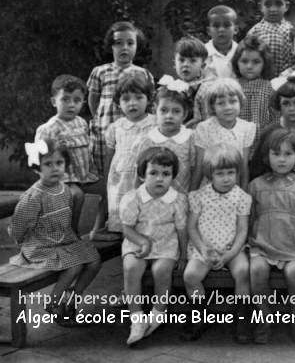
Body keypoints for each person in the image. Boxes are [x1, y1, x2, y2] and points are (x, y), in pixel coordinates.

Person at [10, 139, 101, 326]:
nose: (54, 168)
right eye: (48, 164)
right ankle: (54, 305)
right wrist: (25, 241)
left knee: (94, 260)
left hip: (61, 242)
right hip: (39, 247)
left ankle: (72, 298)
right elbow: (18, 228)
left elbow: (64, 221)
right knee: (74, 266)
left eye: (59, 163)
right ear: (37, 167)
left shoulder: (65, 190)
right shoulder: (33, 197)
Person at [248, 129, 295, 343]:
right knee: (257, 270)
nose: (282, 159)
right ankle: (263, 319)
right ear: (266, 157)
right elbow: (250, 219)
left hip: (293, 247)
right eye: (276, 154)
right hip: (263, 245)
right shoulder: (256, 185)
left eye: (288, 154)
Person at [182, 144, 252, 343]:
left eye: (231, 172)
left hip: (232, 247)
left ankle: (242, 318)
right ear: (209, 174)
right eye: (220, 173)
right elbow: (192, 227)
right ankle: (199, 317)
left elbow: (242, 231)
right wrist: (203, 249)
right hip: (205, 247)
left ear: (238, 173)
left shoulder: (242, 198)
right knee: (190, 275)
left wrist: (230, 254)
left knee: (242, 271)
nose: (226, 178)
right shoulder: (199, 196)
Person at [120, 147, 188, 345]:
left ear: (173, 176)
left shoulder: (177, 199)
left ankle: (158, 312)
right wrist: (143, 241)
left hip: (166, 243)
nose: (160, 179)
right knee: (132, 267)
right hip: (137, 241)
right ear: (142, 176)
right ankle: (137, 319)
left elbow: (182, 230)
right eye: (153, 173)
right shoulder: (133, 198)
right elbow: (127, 229)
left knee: (161, 269)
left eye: (166, 174)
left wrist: (183, 255)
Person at [36, 74, 104, 235]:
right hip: (63, 178)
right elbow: (37, 160)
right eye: (65, 99)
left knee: (110, 189)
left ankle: (101, 227)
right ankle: (69, 232)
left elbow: (86, 151)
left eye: (77, 100)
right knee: (76, 195)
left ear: (83, 102)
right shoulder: (48, 129)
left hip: (83, 176)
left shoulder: (81, 123)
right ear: (54, 101)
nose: (71, 105)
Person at [87, 21, 153, 174]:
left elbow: (149, 103)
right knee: (107, 168)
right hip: (105, 129)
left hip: (133, 132)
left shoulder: (143, 74)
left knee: (129, 165)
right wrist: (99, 119)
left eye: (130, 43)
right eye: (118, 43)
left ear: (137, 46)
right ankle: (107, 195)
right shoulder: (100, 71)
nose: (125, 47)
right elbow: (93, 100)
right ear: (111, 46)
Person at [103, 71, 156, 238]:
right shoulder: (116, 127)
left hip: (145, 175)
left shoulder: (155, 123)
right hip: (121, 177)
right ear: (118, 103)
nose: (132, 104)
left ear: (148, 99)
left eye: (139, 98)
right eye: (126, 99)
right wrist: (107, 178)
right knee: (121, 203)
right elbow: (110, 155)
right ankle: (121, 234)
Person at [250, 74, 295, 191]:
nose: (291, 108)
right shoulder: (268, 132)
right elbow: (256, 169)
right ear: (278, 104)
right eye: (286, 103)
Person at [136, 86, 202, 193]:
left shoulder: (190, 138)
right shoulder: (148, 139)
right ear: (155, 110)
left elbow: (195, 170)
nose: (169, 116)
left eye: (176, 111)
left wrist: (191, 194)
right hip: (153, 200)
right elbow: (139, 174)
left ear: (184, 114)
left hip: (181, 197)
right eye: (163, 110)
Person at [193, 78, 254, 190]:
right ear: (212, 107)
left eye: (233, 101)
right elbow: (200, 166)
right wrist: (192, 194)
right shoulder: (204, 128)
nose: (228, 107)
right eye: (221, 103)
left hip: (234, 189)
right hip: (208, 189)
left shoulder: (247, 128)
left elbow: (244, 166)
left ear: (240, 102)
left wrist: (244, 194)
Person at [231, 35, 278, 139]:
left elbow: (276, 119)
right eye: (244, 61)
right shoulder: (232, 88)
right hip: (236, 139)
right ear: (236, 62)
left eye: (256, 62)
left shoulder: (268, 88)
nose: (249, 66)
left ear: (264, 64)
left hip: (262, 139)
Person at [247, 0, 294, 77]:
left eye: (278, 4)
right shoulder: (255, 33)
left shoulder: (292, 31)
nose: (273, 9)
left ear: (286, 6)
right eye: (268, 4)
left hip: (286, 82)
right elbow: (248, 60)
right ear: (260, 7)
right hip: (261, 83)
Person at [172, 36, 208, 127]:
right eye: (181, 60)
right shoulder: (171, 88)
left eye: (192, 61)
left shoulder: (205, 91)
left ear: (203, 66)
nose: (186, 65)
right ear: (174, 63)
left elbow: (208, 120)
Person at [203, 5, 239, 79]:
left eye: (226, 25)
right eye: (216, 26)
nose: (221, 29)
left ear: (235, 29)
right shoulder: (201, 53)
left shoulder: (242, 52)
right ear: (209, 31)